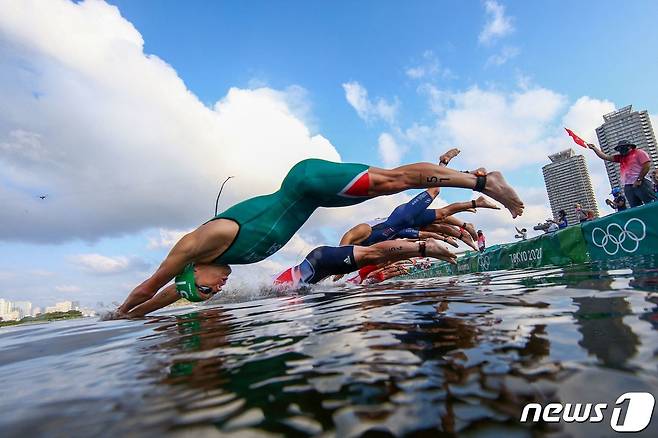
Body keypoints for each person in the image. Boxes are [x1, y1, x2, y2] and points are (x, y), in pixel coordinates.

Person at [116, 157, 525, 317]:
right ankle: (475, 189)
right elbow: (166, 296)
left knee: (394, 181)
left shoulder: (203, 242)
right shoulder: (217, 267)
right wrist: (133, 321)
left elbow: (150, 286)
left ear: (193, 271)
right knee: (394, 188)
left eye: (207, 290)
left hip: (305, 180)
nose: (217, 290)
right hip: (316, 198)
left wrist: (117, 314)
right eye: (210, 295)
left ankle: (482, 181)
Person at [274, 238, 456, 288]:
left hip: (321, 262)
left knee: (374, 254)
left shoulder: (278, 288)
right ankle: (422, 248)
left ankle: (423, 247)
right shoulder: (281, 284)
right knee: (376, 256)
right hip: (321, 265)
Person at [588, 140, 656, 207]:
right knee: (635, 207)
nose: (620, 150)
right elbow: (606, 157)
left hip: (641, 182)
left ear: (629, 147)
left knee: (650, 203)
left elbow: (646, 166)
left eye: (622, 148)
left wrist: (639, 179)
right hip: (628, 185)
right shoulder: (621, 157)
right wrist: (595, 149)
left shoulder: (639, 152)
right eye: (619, 149)